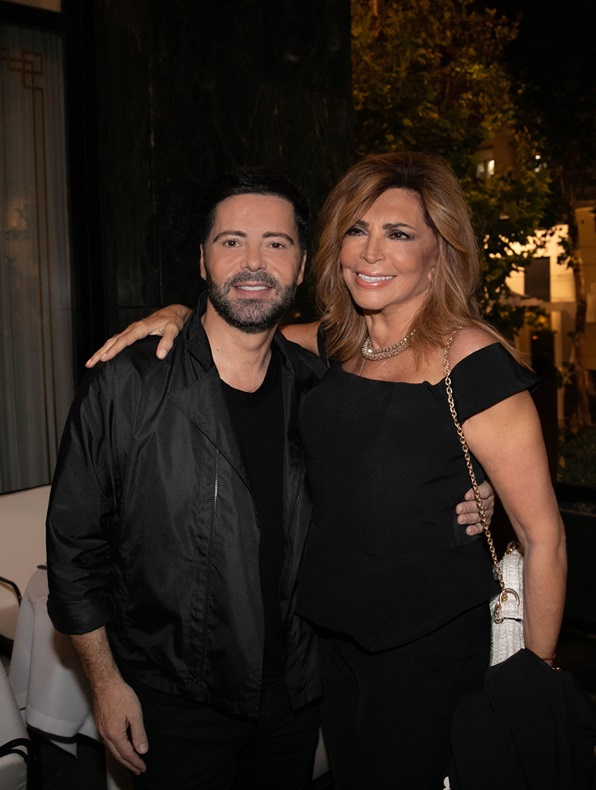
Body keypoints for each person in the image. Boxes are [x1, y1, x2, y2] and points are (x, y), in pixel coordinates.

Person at [47, 162, 492, 790]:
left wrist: (475, 487)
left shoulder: (320, 388)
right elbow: (73, 552)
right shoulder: (128, 385)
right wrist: (104, 682)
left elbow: (392, 467)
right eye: (232, 242)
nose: (253, 263)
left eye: (276, 244)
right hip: (172, 702)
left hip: (295, 700)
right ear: (202, 259)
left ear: (303, 264)